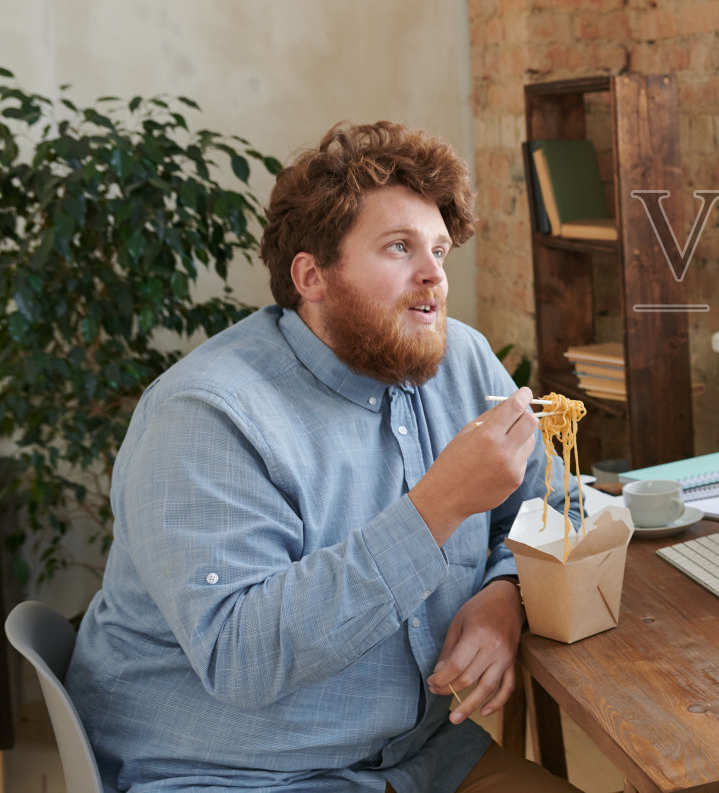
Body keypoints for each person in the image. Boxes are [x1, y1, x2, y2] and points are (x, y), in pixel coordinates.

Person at [67, 122, 583, 792]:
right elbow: (241, 656)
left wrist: (505, 593)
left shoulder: (463, 360)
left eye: (439, 250)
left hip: (416, 758)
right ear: (311, 274)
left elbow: (557, 503)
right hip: (228, 774)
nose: (433, 276)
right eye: (400, 247)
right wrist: (441, 504)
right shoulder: (206, 415)